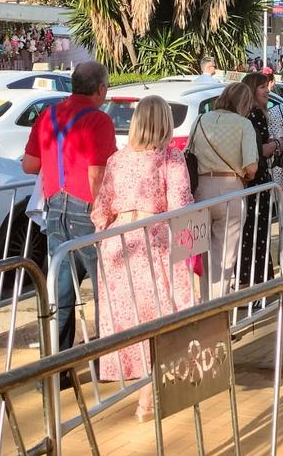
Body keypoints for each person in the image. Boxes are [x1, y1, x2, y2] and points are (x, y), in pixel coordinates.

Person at [89, 96, 195, 421]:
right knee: (160, 317)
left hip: (119, 244)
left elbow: (101, 207)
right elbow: (180, 203)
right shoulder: (171, 158)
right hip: (154, 242)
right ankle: (148, 399)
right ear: (165, 122)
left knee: (131, 321)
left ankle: (145, 392)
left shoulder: (118, 159)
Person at [23, 62, 117, 352]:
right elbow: (97, 175)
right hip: (86, 208)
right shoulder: (99, 121)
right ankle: (107, 362)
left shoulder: (48, 115)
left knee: (60, 290)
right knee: (105, 287)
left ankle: (54, 368)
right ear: (100, 89)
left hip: (54, 207)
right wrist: (106, 213)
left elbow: (29, 165)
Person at [188, 82, 259, 298]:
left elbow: (189, 152)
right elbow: (252, 168)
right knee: (225, 257)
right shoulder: (243, 124)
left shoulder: (200, 120)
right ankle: (218, 312)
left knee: (204, 255)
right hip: (230, 190)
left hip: (200, 190)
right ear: (245, 103)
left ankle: (204, 306)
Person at [236, 73, 281, 289]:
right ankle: (255, 278)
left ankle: (253, 277)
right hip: (257, 179)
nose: (267, 91)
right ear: (252, 89)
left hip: (249, 181)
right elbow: (261, 150)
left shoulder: (246, 115)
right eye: (262, 87)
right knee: (256, 230)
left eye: (267, 86)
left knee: (251, 230)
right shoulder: (256, 115)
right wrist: (279, 143)